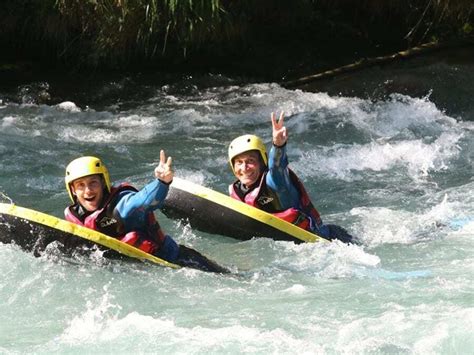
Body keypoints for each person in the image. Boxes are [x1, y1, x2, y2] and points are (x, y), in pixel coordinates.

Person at [64, 151, 228, 273]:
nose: (88, 191)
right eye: (80, 185)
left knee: (232, 278)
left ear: (103, 183)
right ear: (72, 190)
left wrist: (162, 183)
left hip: (180, 260)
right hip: (142, 268)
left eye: (93, 183)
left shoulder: (122, 205)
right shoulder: (75, 217)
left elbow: (145, 200)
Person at [227, 112, 355, 243]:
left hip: (327, 238)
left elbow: (278, 166)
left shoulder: (274, 181)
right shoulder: (237, 192)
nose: (244, 168)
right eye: (239, 162)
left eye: (250, 161)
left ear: (262, 162)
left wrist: (278, 146)